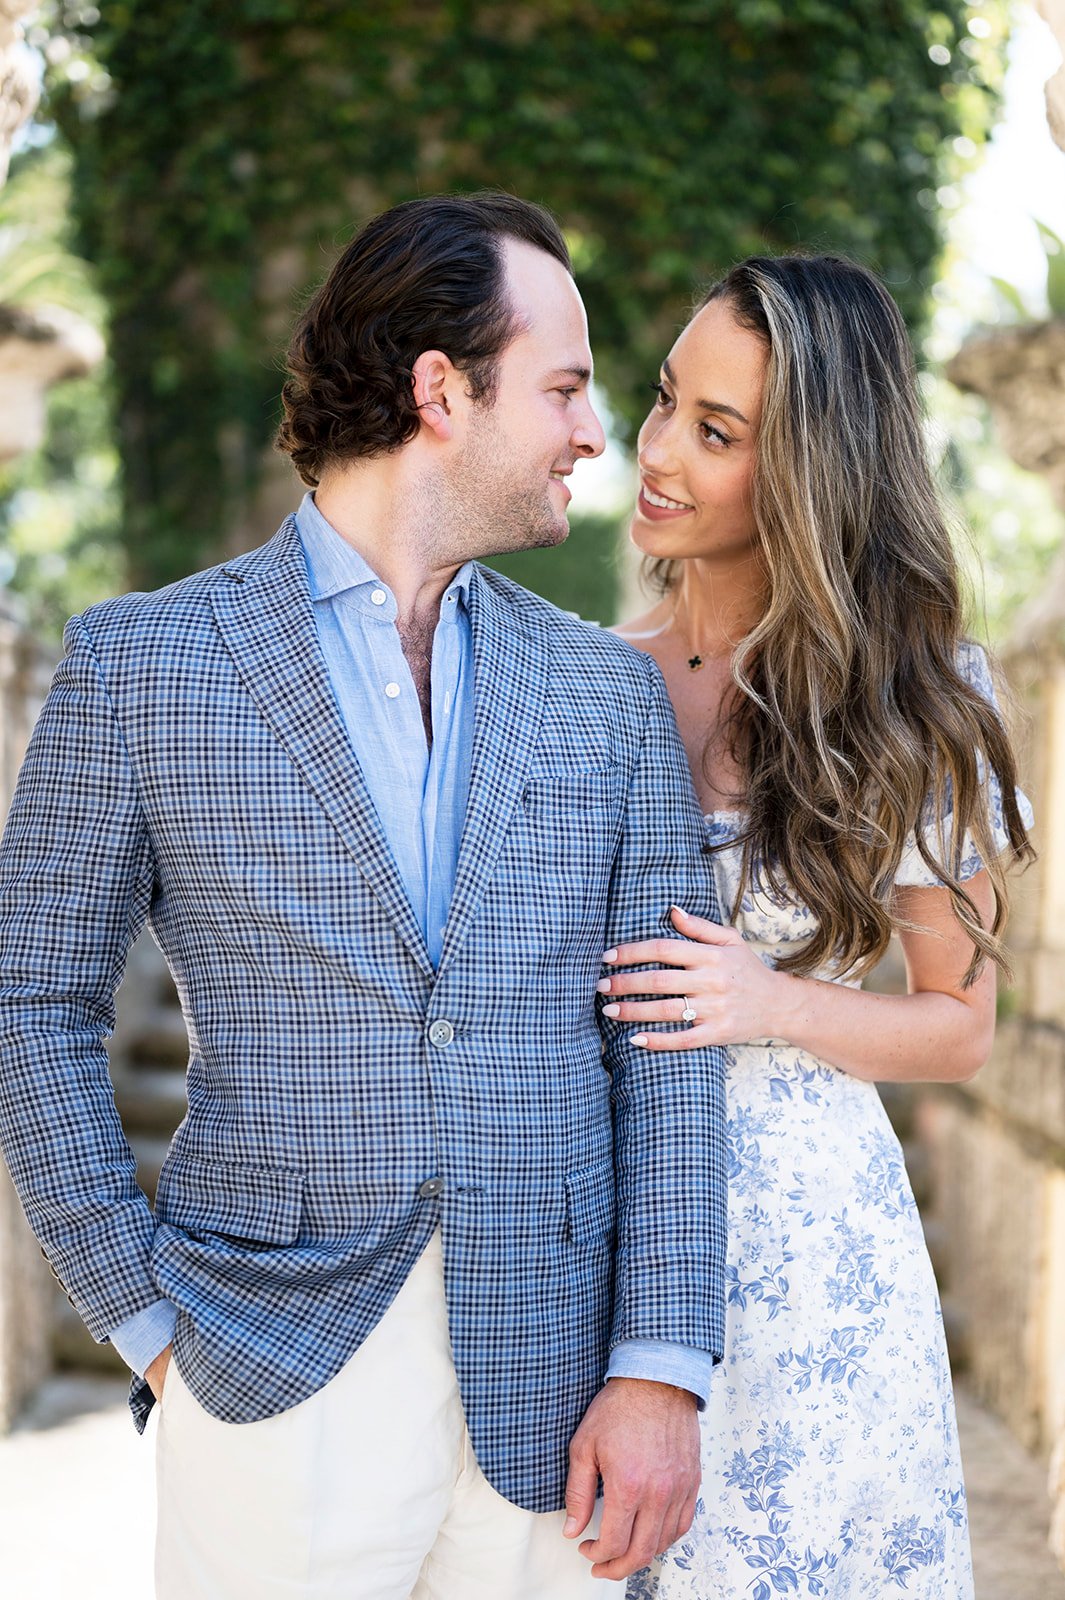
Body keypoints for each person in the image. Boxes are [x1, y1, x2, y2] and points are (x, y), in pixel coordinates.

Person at [0, 193, 729, 1599]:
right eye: (567, 387)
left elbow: (668, 1040)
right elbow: (29, 998)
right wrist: (141, 1315)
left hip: (564, 1384)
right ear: (438, 389)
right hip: (265, 1370)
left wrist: (659, 1368)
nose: (595, 435)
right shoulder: (142, 667)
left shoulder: (606, 695)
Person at [605, 254, 1034, 1599]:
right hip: (599, 1236)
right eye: (667, 400)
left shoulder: (916, 704)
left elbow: (956, 1029)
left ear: (807, 474)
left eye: (715, 433)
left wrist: (766, 1001)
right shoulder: (586, 681)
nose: (657, 450)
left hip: (806, 1265)